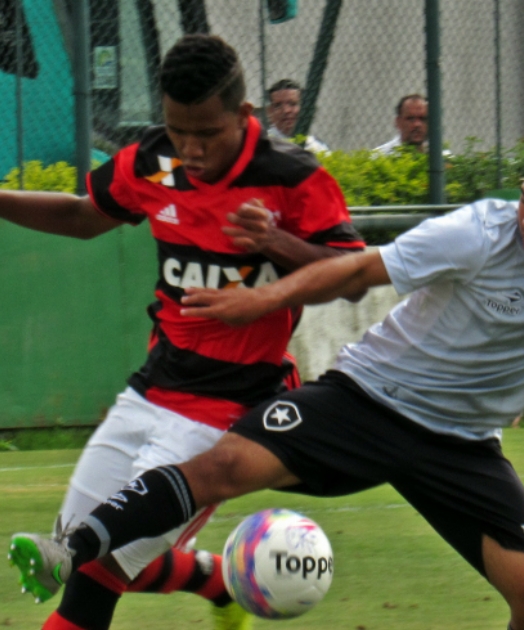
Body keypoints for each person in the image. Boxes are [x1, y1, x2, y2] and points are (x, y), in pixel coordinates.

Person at [12, 123, 524, 630]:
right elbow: (353, 271)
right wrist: (263, 295)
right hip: (366, 399)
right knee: (223, 466)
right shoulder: (478, 233)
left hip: (461, 447)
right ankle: (71, 546)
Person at [2, 34, 364, 630]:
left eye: (207, 133)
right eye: (178, 131)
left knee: (90, 572)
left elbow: (350, 279)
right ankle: (217, 579)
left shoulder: (289, 175)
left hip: (224, 415)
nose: (191, 150)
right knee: (84, 545)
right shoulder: (152, 159)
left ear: (244, 116)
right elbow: (81, 215)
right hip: (150, 390)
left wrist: (274, 243)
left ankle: (207, 576)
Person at [266, 79, 329, 153]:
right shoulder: (265, 144)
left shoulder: (317, 145)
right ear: (270, 111)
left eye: (292, 104)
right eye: (278, 105)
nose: (286, 110)